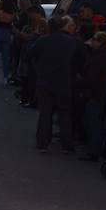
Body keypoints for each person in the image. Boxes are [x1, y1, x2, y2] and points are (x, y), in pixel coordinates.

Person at [32, 16, 79, 153]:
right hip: (63, 82)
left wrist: (39, 67)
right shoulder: (70, 42)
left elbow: (30, 54)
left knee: (45, 114)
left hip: (45, 81)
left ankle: (43, 143)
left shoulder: (43, 40)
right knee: (65, 114)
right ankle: (66, 144)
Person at [77, 28, 106, 161]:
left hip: (95, 94)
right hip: (94, 93)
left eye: (96, 40)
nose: (93, 42)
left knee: (93, 123)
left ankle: (93, 151)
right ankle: (93, 149)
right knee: (91, 121)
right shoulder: (100, 56)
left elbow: (91, 78)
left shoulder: (100, 58)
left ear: (101, 43)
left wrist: (80, 81)